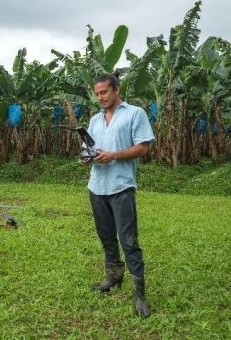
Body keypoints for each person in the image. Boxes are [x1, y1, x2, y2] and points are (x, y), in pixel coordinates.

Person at [80, 73, 155, 319]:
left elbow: (143, 147)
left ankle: (140, 295)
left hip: (121, 186)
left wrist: (113, 155)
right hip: (97, 186)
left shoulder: (134, 114)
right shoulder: (94, 119)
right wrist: (86, 157)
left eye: (104, 92)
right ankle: (113, 277)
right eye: (97, 93)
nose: (100, 97)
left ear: (116, 90)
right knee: (107, 238)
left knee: (129, 241)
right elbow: (88, 148)